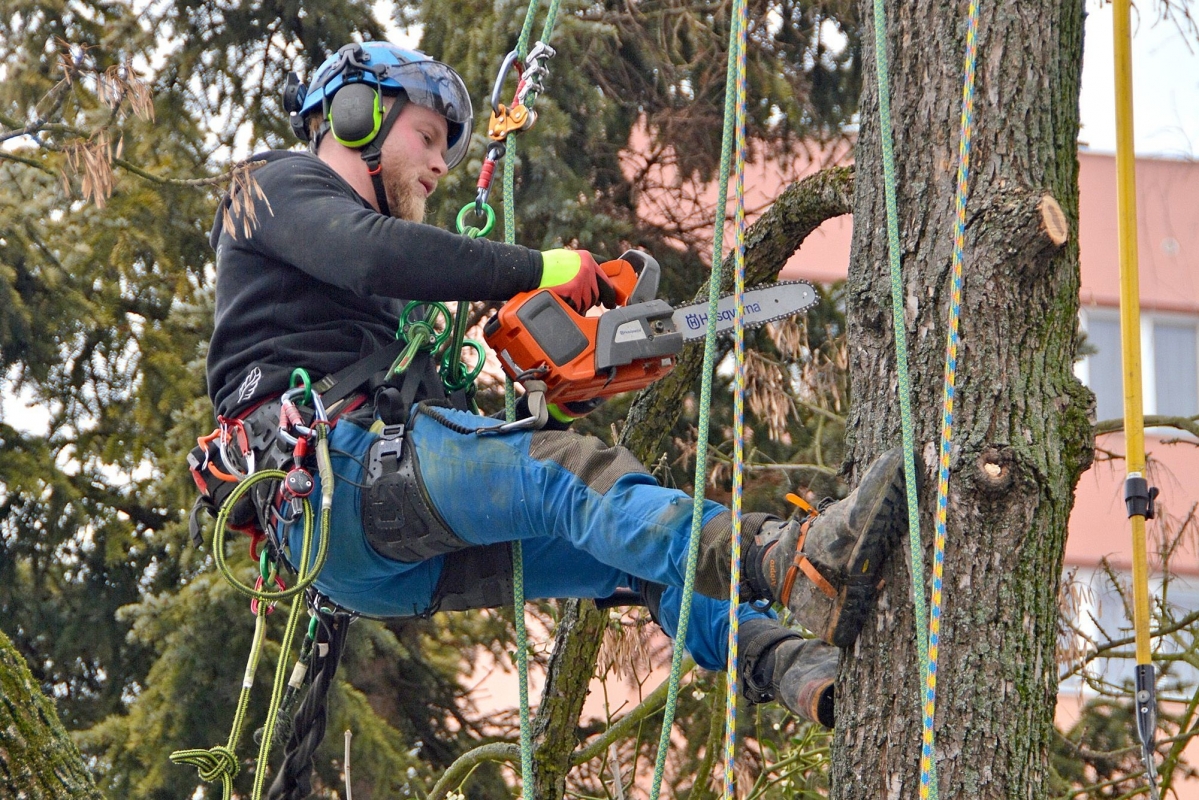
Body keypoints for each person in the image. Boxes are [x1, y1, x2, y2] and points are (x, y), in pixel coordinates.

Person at [202, 40, 909, 730]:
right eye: (425, 136)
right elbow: (370, 255)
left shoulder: (369, 292)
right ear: (356, 115)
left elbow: (435, 434)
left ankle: (790, 665)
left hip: (371, 552)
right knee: (566, 475)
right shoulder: (272, 183)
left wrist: (542, 394)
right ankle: (790, 561)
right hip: (335, 482)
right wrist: (538, 269)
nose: (440, 163)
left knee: (624, 553)